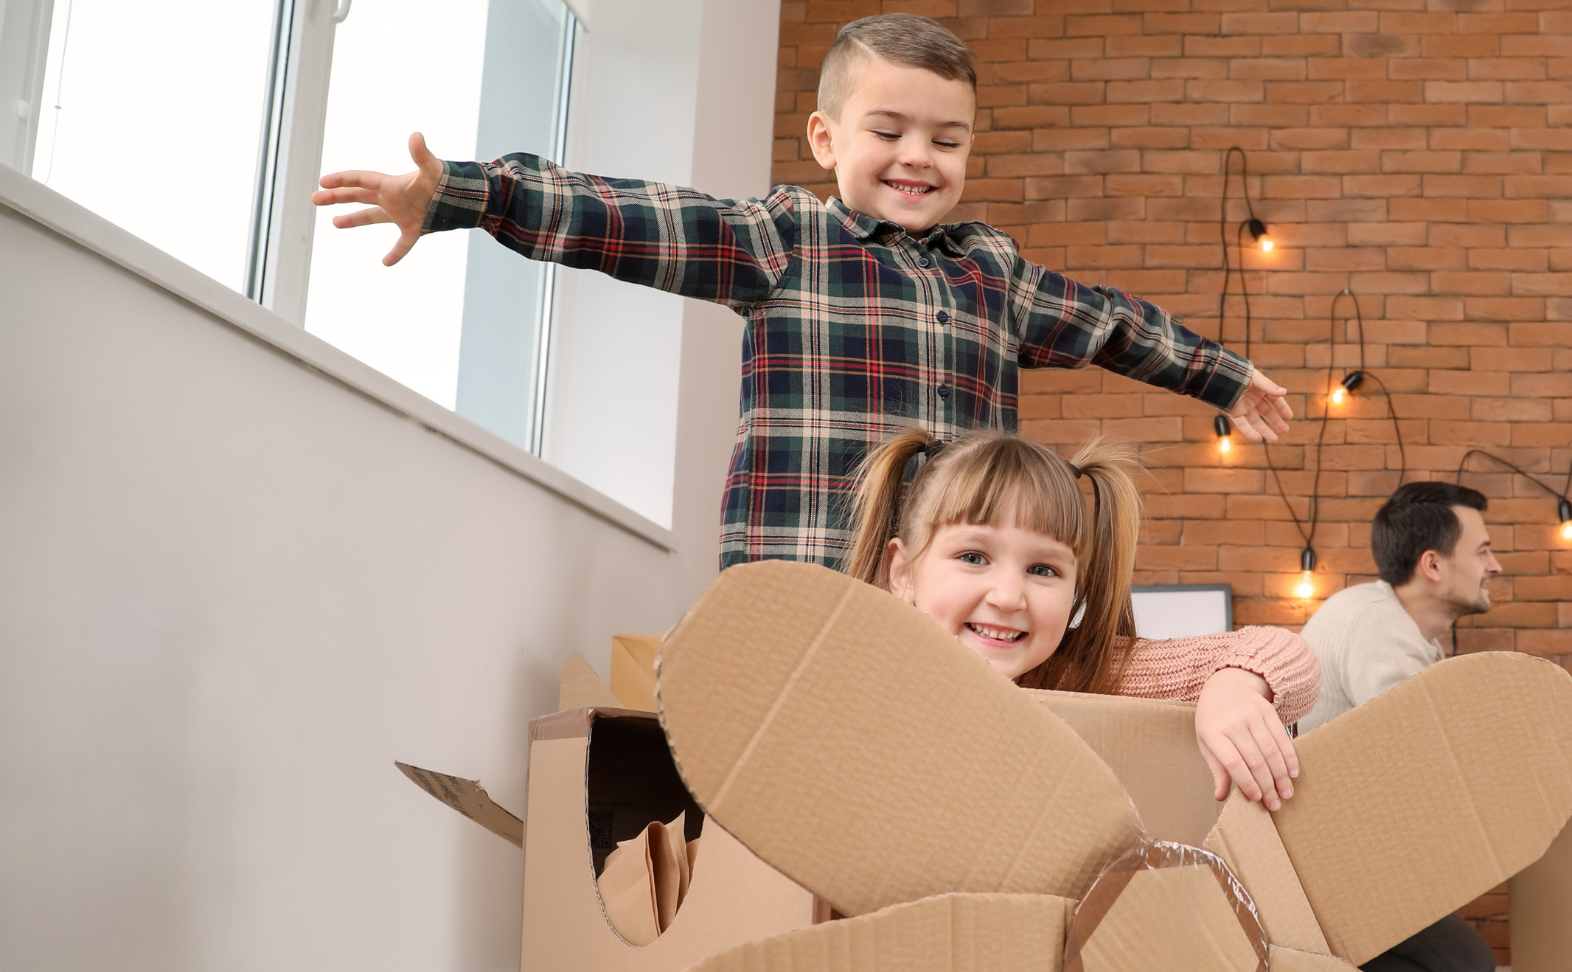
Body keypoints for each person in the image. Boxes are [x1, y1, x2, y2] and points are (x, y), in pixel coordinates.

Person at [312, 13, 1292, 572]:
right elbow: (635, 217)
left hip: (950, 596)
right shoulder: (788, 238)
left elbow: (1111, 325)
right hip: (806, 580)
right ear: (827, 141)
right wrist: (468, 194)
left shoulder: (991, 273)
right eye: (889, 131)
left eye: (945, 142)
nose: (918, 157)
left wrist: (1221, 377)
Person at [1298, 481, 1572, 972]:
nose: (1495, 565)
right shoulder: (1379, 633)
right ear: (1433, 565)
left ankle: (1316, 954)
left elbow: (1453, 749)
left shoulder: (1396, 627)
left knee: (1465, 961)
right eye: (1482, 551)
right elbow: (1433, 768)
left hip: (1353, 853)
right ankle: (1306, 962)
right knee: (1462, 969)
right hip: (1334, 869)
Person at [849, 429, 1319, 812]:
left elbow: (1287, 653)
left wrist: (1236, 688)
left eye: (1042, 570)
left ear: (1076, 588)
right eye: (973, 557)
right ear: (904, 573)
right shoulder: (855, 670)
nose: (1009, 596)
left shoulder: (1082, 671)